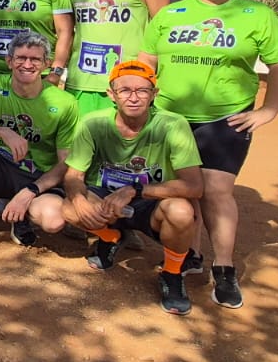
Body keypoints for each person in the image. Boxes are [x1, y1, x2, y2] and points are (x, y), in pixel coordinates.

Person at [141, 0, 278, 308]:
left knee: (216, 190)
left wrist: (269, 110)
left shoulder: (256, 15)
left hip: (225, 119)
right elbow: (146, 61)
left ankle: (224, 268)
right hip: (171, 116)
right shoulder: (170, 14)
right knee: (179, 191)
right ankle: (188, 255)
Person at [62, 60, 204, 316]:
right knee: (70, 208)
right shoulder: (93, 122)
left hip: (150, 202)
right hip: (106, 198)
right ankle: (110, 236)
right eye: (125, 90)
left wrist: (136, 190)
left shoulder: (173, 124)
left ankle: (172, 274)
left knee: (182, 212)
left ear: (154, 95)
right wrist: (81, 203)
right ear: (111, 94)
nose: (134, 97)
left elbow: (194, 186)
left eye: (142, 90)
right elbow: (73, 176)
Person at [0, 32, 76, 254]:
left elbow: (64, 164)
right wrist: (1, 131)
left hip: (37, 177)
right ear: (9, 61)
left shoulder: (65, 102)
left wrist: (30, 191)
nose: (27, 64)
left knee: (53, 220)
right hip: (0, 168)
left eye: (35, 59)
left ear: (47, 64)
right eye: (20, 58)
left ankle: (22, 216)